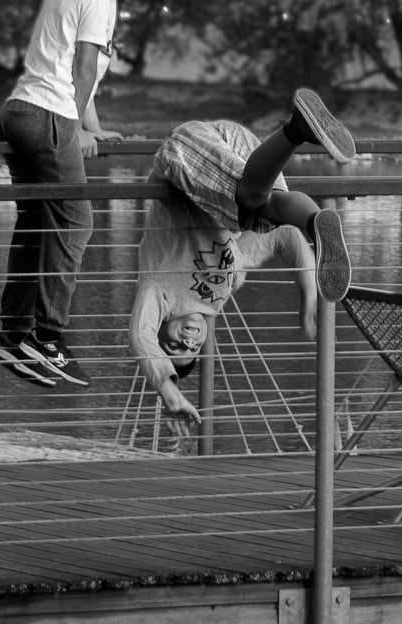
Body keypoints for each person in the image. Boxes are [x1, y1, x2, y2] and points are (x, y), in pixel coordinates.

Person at [128, 89, 357, 437]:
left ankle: (296, 130)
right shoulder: (228, 281)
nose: (188, 340)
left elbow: (140, 337)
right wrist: (308, 293)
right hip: (248, 161)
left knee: (250, 201)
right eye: (193, 348)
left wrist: (169, 392)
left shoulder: (158, 291)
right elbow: (283, 238)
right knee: (266, 215)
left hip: (188, 155)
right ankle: (317, 221)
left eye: (174, 345)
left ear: (162, 328)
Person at [0, 0, 128, 388]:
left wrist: (93, 125)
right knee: (76, 221)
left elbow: (63, 62)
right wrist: (75, 128)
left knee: (36, 221)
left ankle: (12, 334)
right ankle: (48, 338)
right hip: (49, 116)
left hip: (17, 113)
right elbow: (83, 68)